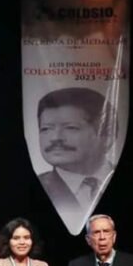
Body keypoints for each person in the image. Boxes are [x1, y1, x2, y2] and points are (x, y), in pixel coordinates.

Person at [36, 87, 117, 233]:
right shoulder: (34, 189)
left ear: (107, 137)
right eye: (46, 129)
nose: (55, 138)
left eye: (71, 128)